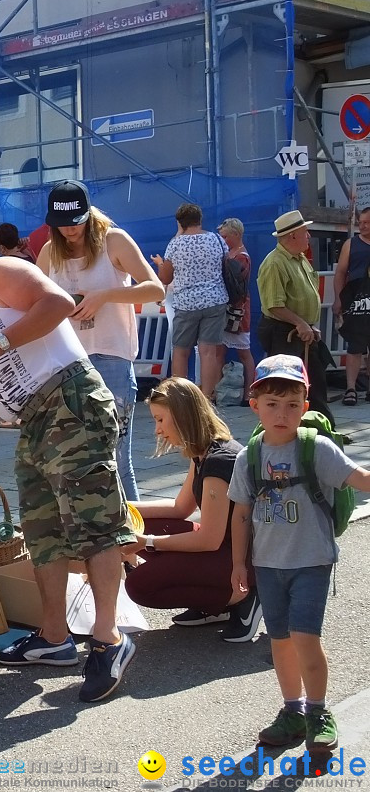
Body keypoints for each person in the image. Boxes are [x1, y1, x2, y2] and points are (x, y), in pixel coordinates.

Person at [0, 230, 136, 704]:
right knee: (42, 531)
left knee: (95, 526)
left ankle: (107, 639)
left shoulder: (0, 273)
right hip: (36, 417)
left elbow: (57, 303)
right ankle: (54, 637)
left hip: (70, 402)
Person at [228, 355, 370, 751]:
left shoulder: (317, 448)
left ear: (305, 407)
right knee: (279, 640)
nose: (282, 413)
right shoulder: (249, 456)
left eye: (292, 404)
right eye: (272, 404)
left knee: (305, 637)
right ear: (254, 405)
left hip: (311, 562)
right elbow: (240, 513)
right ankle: (292, 709)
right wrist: (238, 564)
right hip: (268, 564)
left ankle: (318, 710)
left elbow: (359, 479)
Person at [36, 180, 164, 501]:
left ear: (89, 214)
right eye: (61, 224)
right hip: (66, 364)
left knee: (117, 460)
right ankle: (94, 537)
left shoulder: (113, 241)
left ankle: (134, 541)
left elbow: (155, 288)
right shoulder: (50, 252)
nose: (69, 230)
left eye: (76, 221)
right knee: (72, 461)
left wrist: (105, 296)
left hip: (111, 360)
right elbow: (34, 301)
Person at [123, 377, 261, 642]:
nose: (157, 430)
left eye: (160, 420)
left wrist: (148, 543)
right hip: (225, 549)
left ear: (183, 415)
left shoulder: (219, 461)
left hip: (243, 561)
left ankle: (241, 596)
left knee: (139, 585)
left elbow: (209, 540)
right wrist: (122, 509)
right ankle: (214, 604)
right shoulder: (203, 450)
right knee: (134, 523)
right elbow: (179, 508)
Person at [256, 210, 333, 425]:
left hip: (299, 330)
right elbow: (274, 305)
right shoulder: (275, 263)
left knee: (315, 382)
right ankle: (286, 428)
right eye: (305, 232)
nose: (308, 236)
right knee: (288, 386)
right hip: (284, 333)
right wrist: (300, 323)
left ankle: (322, 428)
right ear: (292, 236)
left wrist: (307, 324)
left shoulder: (298, 259)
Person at [156, 203, 229, 400]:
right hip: (215, 300)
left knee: (180, 351)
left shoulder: (176, 244)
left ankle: (180, 398)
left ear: (179, 222)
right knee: (208, 352)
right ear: (200, 219)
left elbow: (165, 278)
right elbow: (226, 264)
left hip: (186, 303)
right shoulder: (216, 239)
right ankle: (207, 398)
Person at [331, 206, 370, 405]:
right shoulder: (351, 244)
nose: (362, 226)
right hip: (357, 301)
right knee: (355, 346)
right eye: (360, 222)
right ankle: (351, 389)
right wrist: (338, 299)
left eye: (366, 223)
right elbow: (340, 273)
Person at [217, 217, 256, 404]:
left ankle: (250, 392)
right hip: (228, 308)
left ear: (236, 234)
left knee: (244, 352)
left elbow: (236, 284)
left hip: (237, 309)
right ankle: (217, 390)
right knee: (219, 351)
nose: (222, 239)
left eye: (225, 236)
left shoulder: (241, 257)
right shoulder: (233, 253)